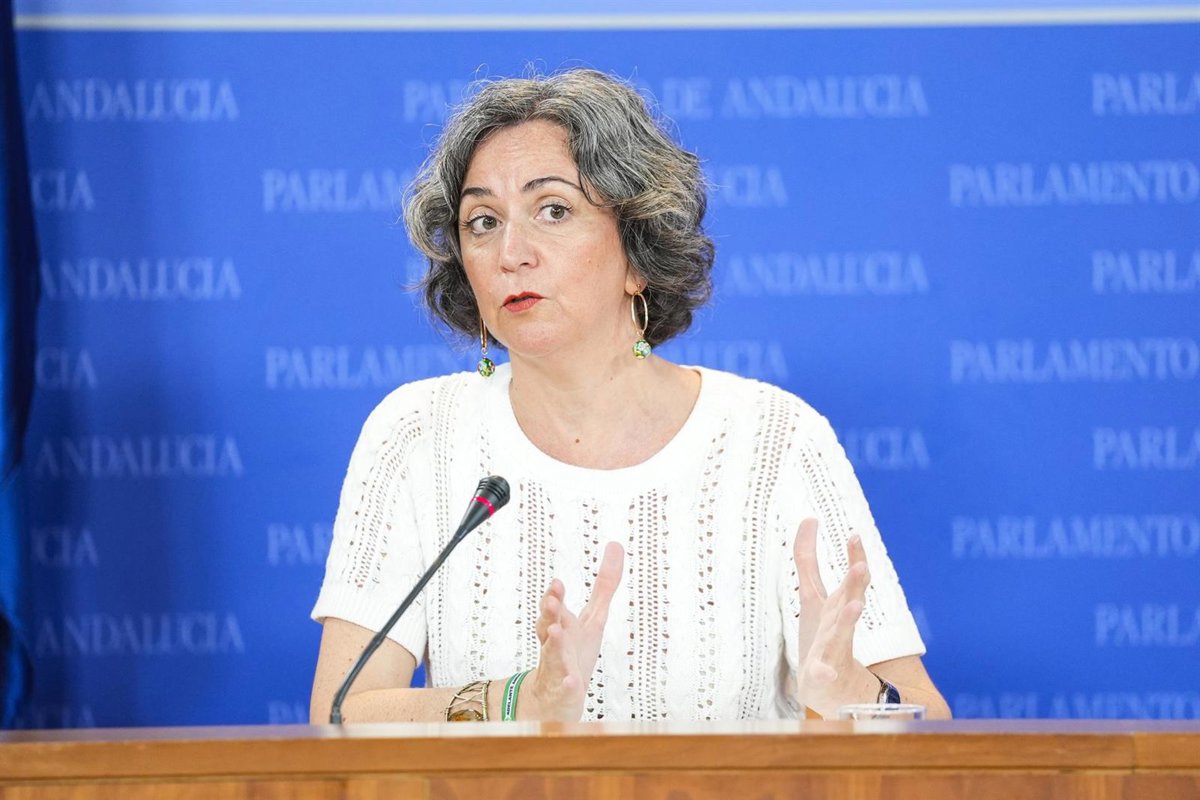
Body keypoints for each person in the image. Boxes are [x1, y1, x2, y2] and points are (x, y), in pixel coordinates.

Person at [310, 68, 949, 724]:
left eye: (553, 210)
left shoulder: (775, 438)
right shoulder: (418, 433)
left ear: (638, 252)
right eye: (483, 221)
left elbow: (927, 721)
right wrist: (517, 700)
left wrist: (856, 695)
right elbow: (341, 713)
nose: (510, 252)